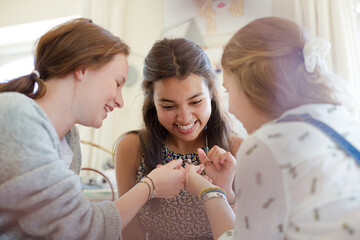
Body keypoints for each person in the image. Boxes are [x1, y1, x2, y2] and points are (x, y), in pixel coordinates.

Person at [0, 18, 186, 240]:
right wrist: (150, 186)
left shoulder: (69, 141)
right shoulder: (16, 115)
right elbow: (80, 227)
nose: (120, 101)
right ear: (84, 68)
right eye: (117, 83)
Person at [185, 16, 360, 239]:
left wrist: (209, 192)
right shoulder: (342, 119)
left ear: (251, 86)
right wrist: (226, 192)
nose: (230, 109)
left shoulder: (265, 145)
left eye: (228, 90)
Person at [115, 37, 242, 240]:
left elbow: (245, 233)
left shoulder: (235, 150)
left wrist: (226, 192)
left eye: (196, 101)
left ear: (210, 91)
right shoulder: (132, 147)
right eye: (168, 106)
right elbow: (130, 232)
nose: (184, 117)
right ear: (152, 101)